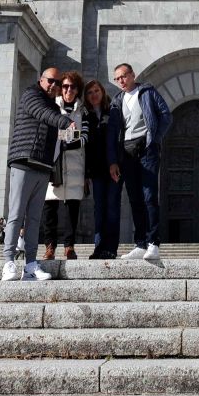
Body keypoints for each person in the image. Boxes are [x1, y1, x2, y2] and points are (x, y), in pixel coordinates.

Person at [2, 64, 77, 282]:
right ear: (41, 80)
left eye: (57, 82)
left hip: (43, 167)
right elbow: (42, 114)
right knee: (16, 214)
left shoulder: (54, 108)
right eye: (50, 81)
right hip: (24, 161)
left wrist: (77, 136)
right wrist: (66, 122)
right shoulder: (31, 95)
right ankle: (8, 262)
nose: (53, 85)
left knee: (34, 219)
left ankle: (31, 265)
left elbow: (61, 139)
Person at [109, 61, 171, 260]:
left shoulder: (147, 92)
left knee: (149, 196)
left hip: (146, 150)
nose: (121, 81)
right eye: (117, 78)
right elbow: (113, 131)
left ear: (133, 75)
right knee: (135, 199)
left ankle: (153, 243)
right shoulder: (117, 100)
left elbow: (165, 115)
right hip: (126, 153)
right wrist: (114, 160)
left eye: (124, 76)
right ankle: (140, 244)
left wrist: (155, 138)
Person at [40, 72, 86, 260]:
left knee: (72, 209)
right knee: (49, 207)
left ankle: (69, 246)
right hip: (54, 164)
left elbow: (84, 138)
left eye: (72, 87)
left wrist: (65, 138)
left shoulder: (82, 111)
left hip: (75, 165)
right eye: (65, 86)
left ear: (77, 90)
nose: (68, 90)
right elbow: (49, 133)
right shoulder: (51, 106)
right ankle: (49, 247)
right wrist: (69, 138)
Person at [84, 78, 120, 259]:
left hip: (113, 168)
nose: (93, 95)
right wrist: (86, 173)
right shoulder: (86, 116)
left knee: (112, 207)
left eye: (96, 91)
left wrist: (115, 162)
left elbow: (115, 140)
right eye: (90, 92)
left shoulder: (112, 112)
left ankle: (111, 248)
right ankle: (99, 247)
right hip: (96, 170)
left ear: (102, 92)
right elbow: (86, 148)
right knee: (99, 208)